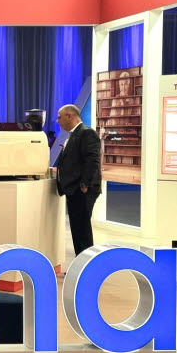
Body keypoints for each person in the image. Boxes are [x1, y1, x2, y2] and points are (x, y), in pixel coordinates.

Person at [56, 104, 102, 258]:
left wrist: (84, 184)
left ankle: (86, 263)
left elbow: (93, 160)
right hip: (74, 189)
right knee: (77, 228)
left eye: (59, 117)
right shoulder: (74, 134)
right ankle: (81, 261)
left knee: (82, 230)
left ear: (69, 116)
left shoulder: (86, 133)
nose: (57, 121)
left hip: (82, 190)